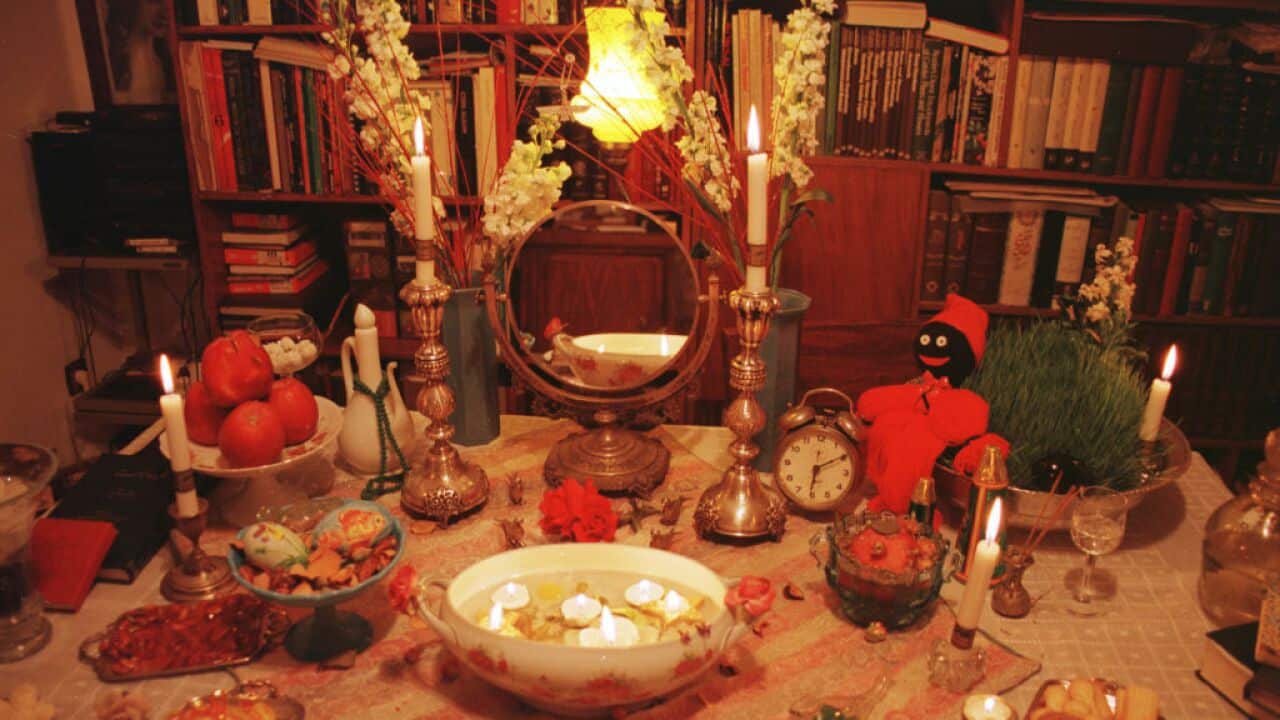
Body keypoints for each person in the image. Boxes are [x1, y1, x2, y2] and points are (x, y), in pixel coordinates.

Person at [104, 0, 174, 105]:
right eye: (155, 1)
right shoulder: (114, 67)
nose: (165, 12)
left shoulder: (166, 64)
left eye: (168, 3)